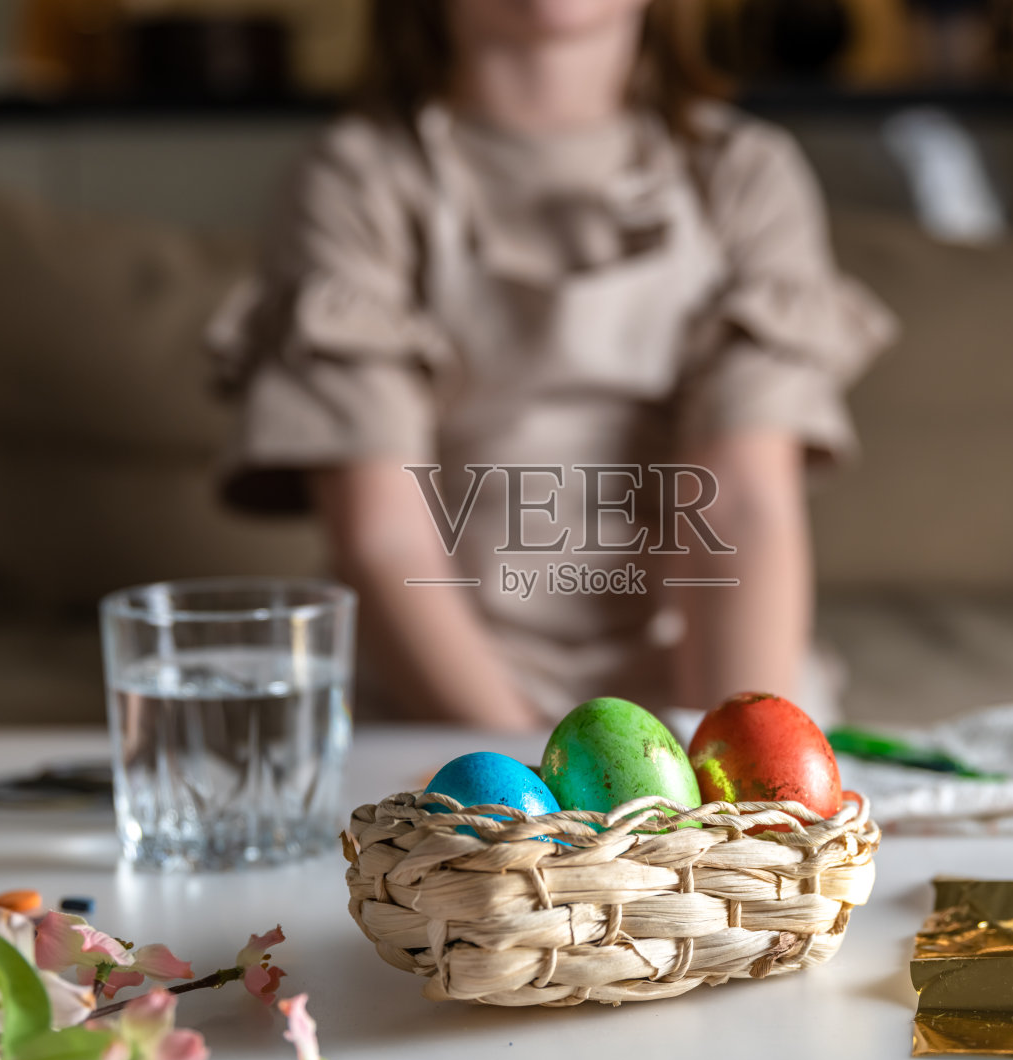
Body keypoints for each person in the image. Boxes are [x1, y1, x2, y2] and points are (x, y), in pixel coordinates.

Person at [211, 0, 895, 731]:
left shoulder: (745, 174)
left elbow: (742, 509)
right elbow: (383, 538)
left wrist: (723, 771)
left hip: (701, 684)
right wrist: (529, 787)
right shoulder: (355, 178)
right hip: (439, 705)